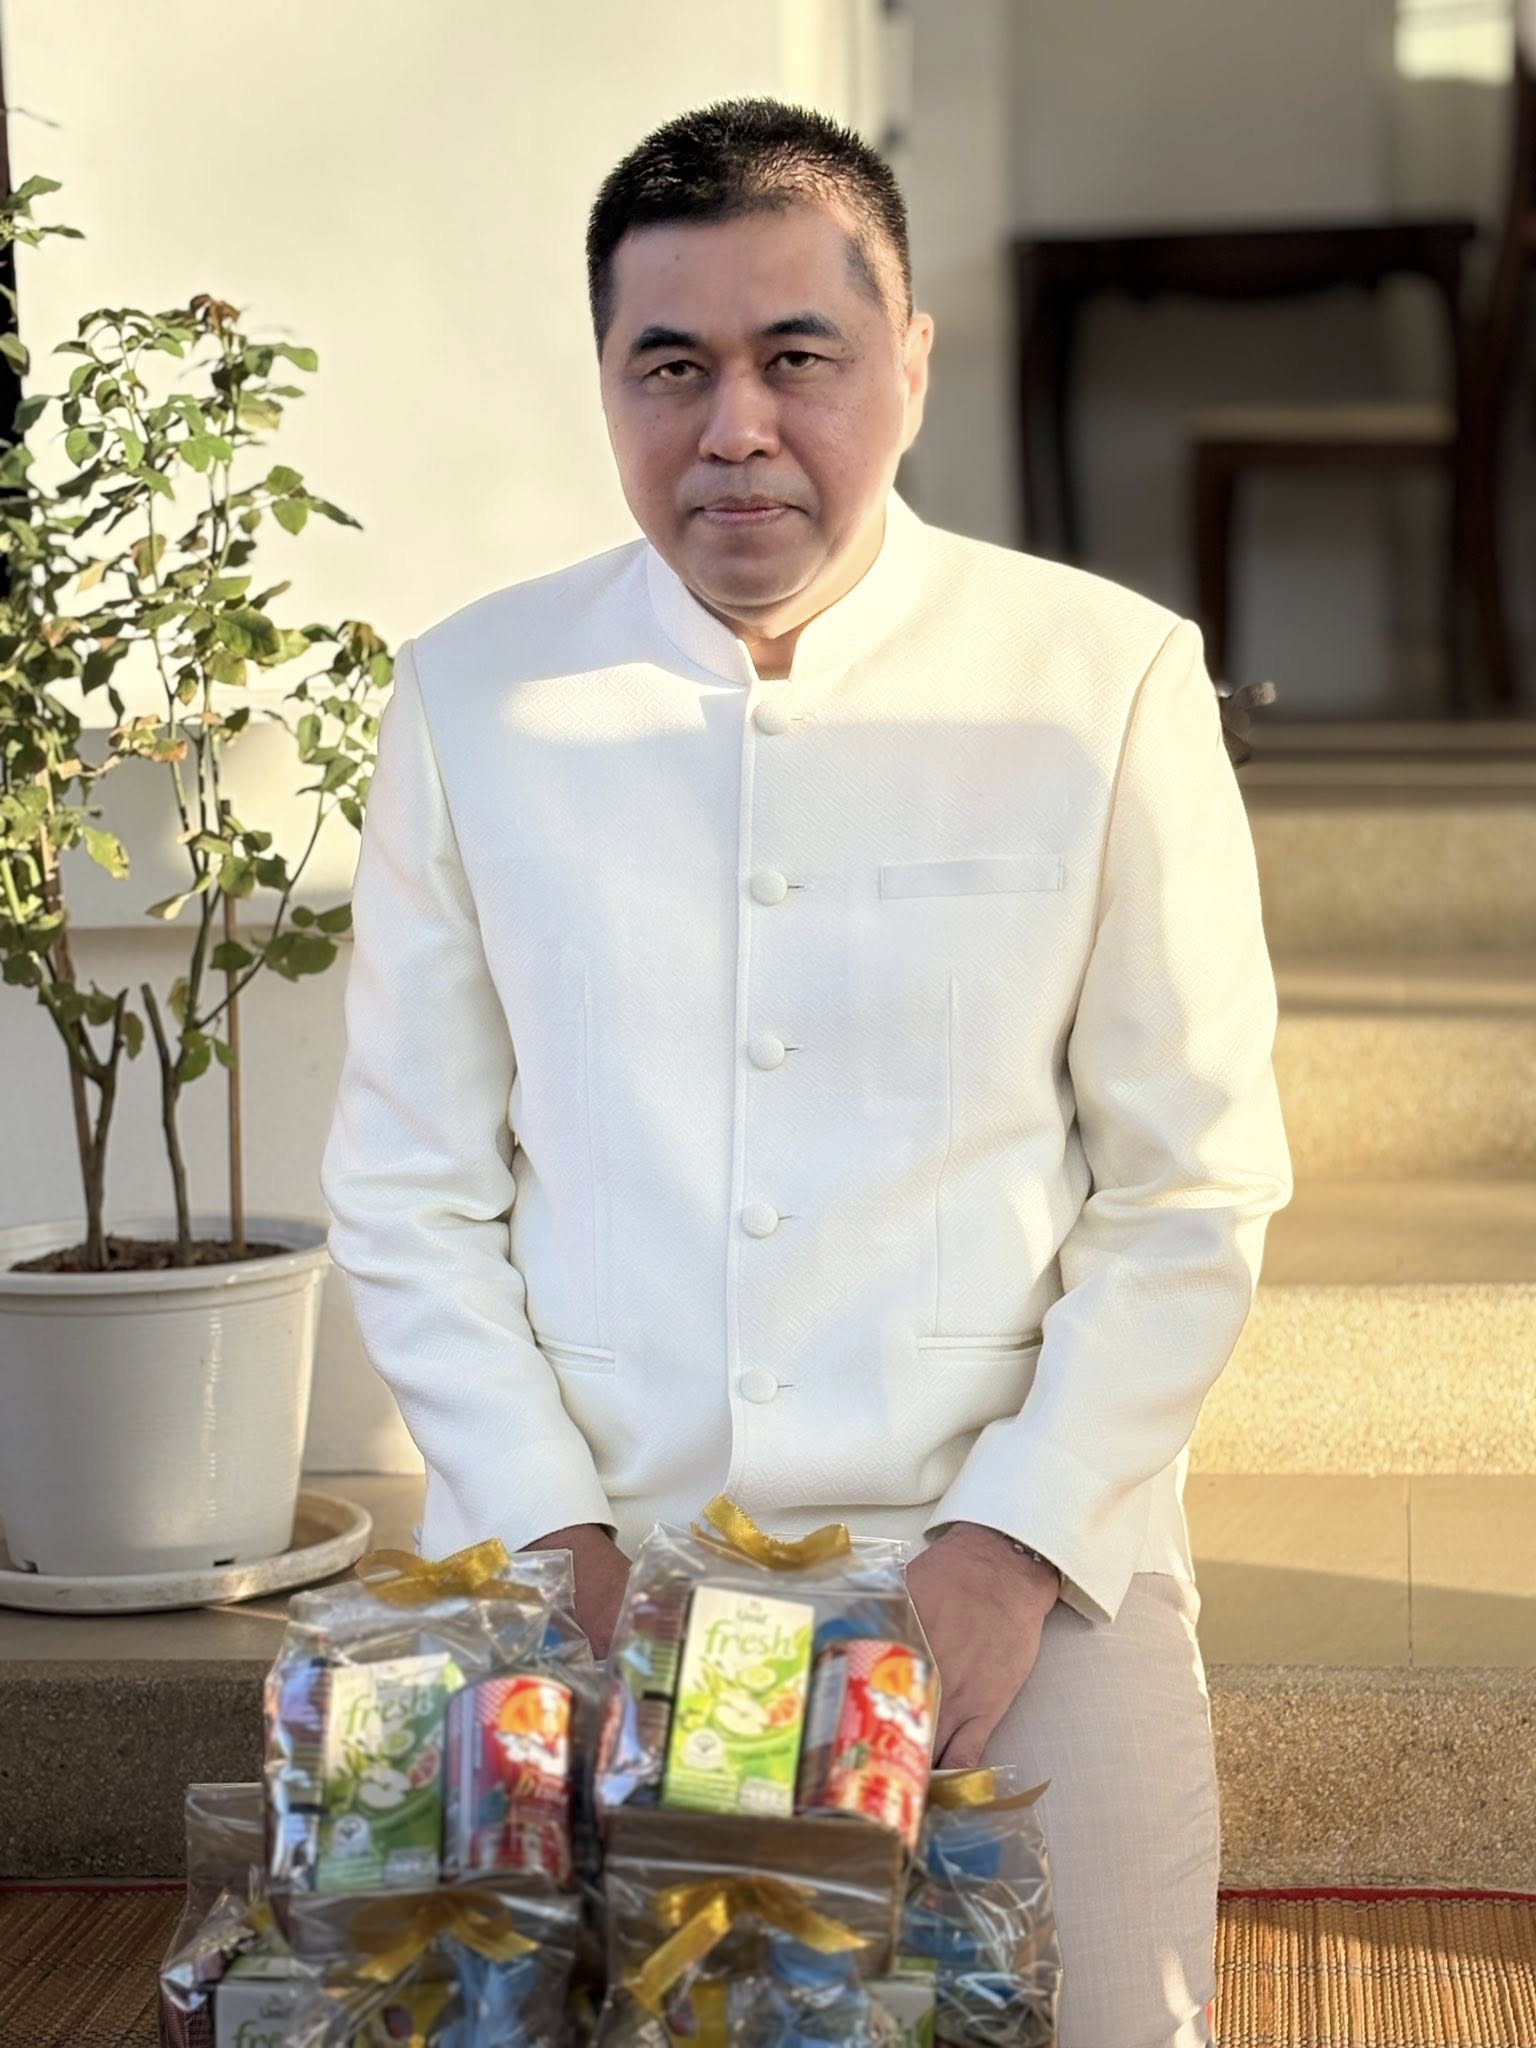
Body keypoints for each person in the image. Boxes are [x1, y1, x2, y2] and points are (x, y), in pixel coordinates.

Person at [320, 95, 1292, 2048]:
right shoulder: (473, 696)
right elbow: (408, 1190)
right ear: (608, 383)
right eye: (671, 366)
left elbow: (1192, 1181)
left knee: (1108, 2017)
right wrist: (561, 1553)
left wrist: (1014, 1550)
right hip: (587, 1546)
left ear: (909, 365)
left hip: (1006, 1547)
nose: (735, 427)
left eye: (798, 357)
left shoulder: (1101, 677)